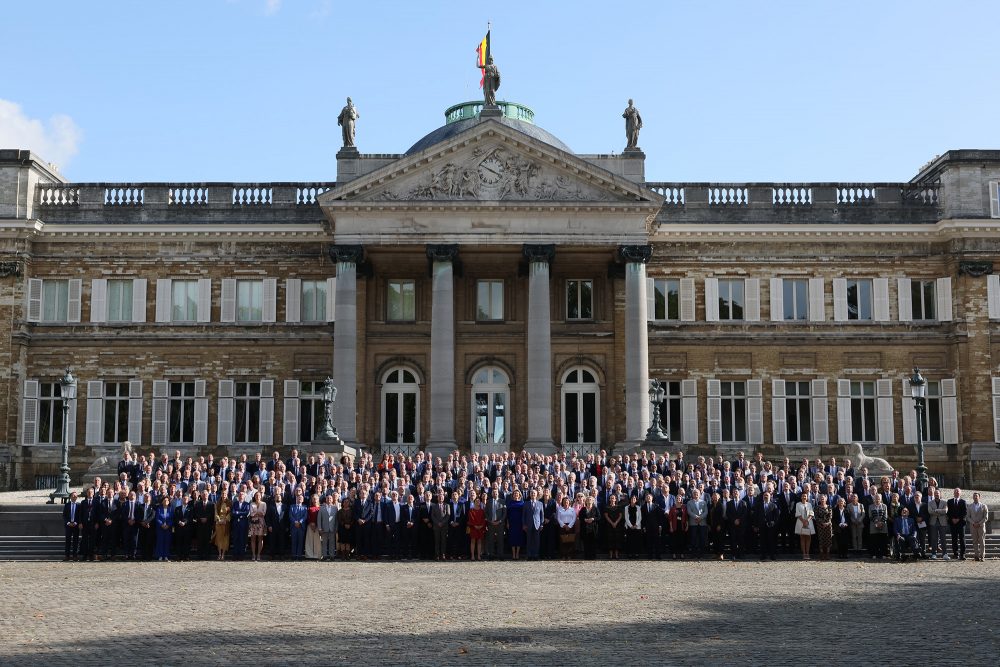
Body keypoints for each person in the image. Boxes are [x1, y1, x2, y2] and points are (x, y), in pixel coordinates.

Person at [756, 490, 780, 561]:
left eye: (767, 495)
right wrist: (756, 525)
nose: (766, 497)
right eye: (764, 496)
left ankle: (772, 555)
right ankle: (763, 555)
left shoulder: (774, 505)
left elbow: (776, 516)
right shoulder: (759, 505)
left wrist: (773, 523)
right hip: (762, 526)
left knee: (771, 541)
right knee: (762, 541)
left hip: (771, 527)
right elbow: (756, 516)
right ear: (763, 497)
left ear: (770, 497)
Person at [927, 488, 949, 559]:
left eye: (938, 493)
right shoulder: (930, 502)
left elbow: (945, 511)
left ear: (940, 494)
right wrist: (940, 511)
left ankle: (945, 554)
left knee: (943, 539)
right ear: (934, 494)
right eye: (935, 493)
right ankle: (934, 554)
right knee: (934, 539)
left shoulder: (944, 502)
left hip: (942, 523)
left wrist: (936, 510)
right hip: (933, 522)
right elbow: (930, 511)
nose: (936, 494)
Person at [484, 488, 506, 560]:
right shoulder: (488, 502)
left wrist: (499, 521)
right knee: (491, 540)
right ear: (491, 494)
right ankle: (491, 555)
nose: (495, 494)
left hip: (500, 524)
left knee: (500, 540)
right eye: (493, 493)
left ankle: (501, 555)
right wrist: (490, 521)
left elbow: (504, 513)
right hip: (491, 523)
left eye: (496, 493)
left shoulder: (502, 501)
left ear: (498, 494)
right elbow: (486, 513)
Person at [267, 490, 289, 560]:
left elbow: (287, 517)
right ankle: (271, 555)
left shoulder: (285, 506)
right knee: (272, 541)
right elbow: (268, 517)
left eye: (279, 497)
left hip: (282, 527)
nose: (278, 498)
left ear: (281, 498)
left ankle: (282, 555)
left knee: (282, 541)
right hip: (273, 526)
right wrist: (269, 525)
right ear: (274, 498)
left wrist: (287, 526)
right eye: (277, 497)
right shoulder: (270, 506)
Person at [967, 492, 990, 562]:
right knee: (974, 541)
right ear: (972, 497)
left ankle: (982, 556)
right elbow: (968, 517)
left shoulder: (984, 506)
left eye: (976, 496)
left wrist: (979, 523)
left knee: (982, 541)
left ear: (979, 497)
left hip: (981, 526)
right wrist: (973, 523)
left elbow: (986, 517)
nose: (975, 497)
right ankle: (976, 556)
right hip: (973, 526)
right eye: (974, 496)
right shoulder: (969, 506)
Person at [686, 489, 708, 559]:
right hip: (693, 523)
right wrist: (696, 517)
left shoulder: (704, 502)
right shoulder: (689, 502)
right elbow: (689, 512)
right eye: (694, 493)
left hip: (702, 523)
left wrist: (700, 518)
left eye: (697, 493)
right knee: (693, 539)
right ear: (692, 494)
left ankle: (702, 554)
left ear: (700, 494)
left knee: (702, 539)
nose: (696, 494)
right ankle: (693, 554)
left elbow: (706, 512)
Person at [947, 487, 967, 560]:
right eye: (955, 491)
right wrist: (952, 519)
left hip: (961, 523)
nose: (957, 493)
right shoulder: (949, 501)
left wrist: (958, 519)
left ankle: (963, 554)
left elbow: (965, 512)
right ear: (953, 493)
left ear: (960, 493)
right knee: (954, 539)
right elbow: (948, 512)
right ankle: (955, 554)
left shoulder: (963, 502)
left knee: (962, 539)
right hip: (952, 523)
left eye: (958, 492)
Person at [523, 488, 544, 560]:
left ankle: (535, 555)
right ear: (530, 495)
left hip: (537, 525)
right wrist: (524, 524)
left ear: (536, 494)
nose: (533, 494)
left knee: (536, 541)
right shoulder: (526, 504)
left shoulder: (540, 503)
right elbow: (524, 515)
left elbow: (542, 515)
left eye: (534, 493)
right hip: (528, 524)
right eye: (531, 493)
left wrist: (541, 524)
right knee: (529, 540)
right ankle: (529, 555)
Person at [794, 491, 815, 560]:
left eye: (805, 496)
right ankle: (804, 554)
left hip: (809, 523)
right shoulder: (798, 504)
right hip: (800, 522)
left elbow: (811, 513)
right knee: (802, 538)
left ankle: (808, 553)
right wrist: (803, 521)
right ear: (801, 497)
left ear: (807, 497)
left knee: (808, 538)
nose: (804, 497)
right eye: (803, 496)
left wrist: (807, 521)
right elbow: (797, 513)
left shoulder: (809, 504)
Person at [506, 489, 526, 560]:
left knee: (519, 538)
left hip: (520, 523)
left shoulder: (522, 503)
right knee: (512, 538)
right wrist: (507, 523)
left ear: (519, 495)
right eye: (515, 494)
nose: (516, 495)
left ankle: (517, 553)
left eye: (517, 494)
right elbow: (507, 514)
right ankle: (513, 554)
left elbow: (524, 514)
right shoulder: (510, 503)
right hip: (512, 523)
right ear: (513, 495)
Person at [318, 493, 339, 561]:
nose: (329, 499)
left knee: (332, 543)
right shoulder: (321, 508)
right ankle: (324, 556)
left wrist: (336, 528)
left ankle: (332, 555)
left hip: (332, 528)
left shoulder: (335, 508)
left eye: (330, 498)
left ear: (332, 500)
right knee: (324, 543)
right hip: (324, 528)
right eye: (328, 498)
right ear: (326, 500)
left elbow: (336, 519)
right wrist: (320, 528)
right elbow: (319, 519)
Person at [431, 491, 450, 561]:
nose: (440, 498)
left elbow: (448, 515)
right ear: (437, 498)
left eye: (442, 497)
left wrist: (442, 522)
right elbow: (432, 516)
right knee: (437, 541)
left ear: (444, 498)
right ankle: (437, 555)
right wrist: (437, 523)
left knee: (443, 541)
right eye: (439, 497)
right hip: (436, 526)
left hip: (444, 526)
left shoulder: (447, 505)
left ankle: (443, 555)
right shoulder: (434, 506)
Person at [248, 491, 268, 562]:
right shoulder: (251, 503)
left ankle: (259, 554)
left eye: (259, 495)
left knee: (260, 539)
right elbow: (251, 514)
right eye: (256, 495)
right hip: (253, 523)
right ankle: (253, 554)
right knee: (253, 539)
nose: (257, 497)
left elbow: (263, 513)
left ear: (261, 496)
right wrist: (258, 513)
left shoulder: (264, 503)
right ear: (254, 496)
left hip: (261, 523)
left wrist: (255, 513)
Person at [869, 493, 889, 560]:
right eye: (876, 498)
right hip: (873, 525)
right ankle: (874, 554)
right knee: (874, 541)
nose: (877, 500)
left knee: (883, 541)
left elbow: (885, 516)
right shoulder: (870, 506)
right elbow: (870, 516)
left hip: (883, 526)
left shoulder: (884, 506)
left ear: (881, 499)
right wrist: (876, 522)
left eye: (878, 498)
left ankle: (884, 554)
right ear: (874, 499)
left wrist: (881, 522)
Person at [603, 494, 624, 560]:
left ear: (615, 499)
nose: (612, 499)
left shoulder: (619, 507)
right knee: (610, 539)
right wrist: (612, 523)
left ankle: (617, 554)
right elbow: (606, 516)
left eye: (613, 498)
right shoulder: (607, 507)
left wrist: (616, 523)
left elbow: (620, 516)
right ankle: (611, 554)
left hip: (617, 525)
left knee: (617, 539)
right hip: (609, 525)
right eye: (611, 498)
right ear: (609, 499)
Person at [467, 496, 487, 561]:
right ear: (474, 502)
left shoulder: (482, 511)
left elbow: (484, 519)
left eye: (479, 501)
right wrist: (474, 525)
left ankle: (478, 556)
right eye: (476, 501)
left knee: (479, 541)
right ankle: (472, 556)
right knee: (473, 541)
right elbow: (470, 519)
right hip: (473, 528)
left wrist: (481, 525)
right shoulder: (471, 510)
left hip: (481, 528)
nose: (477, 502)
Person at [231, 493, 250, 560]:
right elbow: (233, 512)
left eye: (242, 496)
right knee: (236, 539)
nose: (241, 497)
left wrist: (238, 513)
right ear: (238, 497)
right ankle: (235, 555)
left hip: (243, 524)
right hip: (236, 524)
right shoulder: (235, 503)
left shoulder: (247, 504)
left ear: (244, 497)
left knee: (242, 539)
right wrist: (240, 514)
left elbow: (246, 512)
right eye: (240, 496)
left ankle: (242, 555)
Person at [556, 496, 577, 560]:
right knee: (562, 541)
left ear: (569, 502)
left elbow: (574, 518)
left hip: (571, 526)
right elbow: (558, 518)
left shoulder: (572, 509)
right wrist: (564, 525)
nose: (566, 502)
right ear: (562, 502)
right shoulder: (560, 509)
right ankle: (563, 555)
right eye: (564, 501)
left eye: (567, 501)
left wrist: (569, 526)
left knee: (570, 541)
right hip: (562, 527)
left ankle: (569, 555)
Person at [580, 496, 600, 560]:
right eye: (588, 499)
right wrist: (584, 520)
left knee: (593, 543)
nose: (589, 500)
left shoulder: (595, 508)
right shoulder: (583, 509)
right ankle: (587, 556)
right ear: (586, 501)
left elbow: (599, 517)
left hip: (593, 528)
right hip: (585, 528)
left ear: (593, 501)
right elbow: (580, 517)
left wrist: (593, 519)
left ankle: (593, 556)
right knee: (586, 543)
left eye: (590, 499)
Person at [289, 491, 308, 561]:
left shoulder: (305, 507)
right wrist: (295, 522)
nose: (299, 499)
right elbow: (290, 516)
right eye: (298, 498)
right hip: (294, 526)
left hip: (301, 526)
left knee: (300, 541)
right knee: (294, 541)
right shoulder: (292, 506)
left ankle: (299, 555)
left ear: (303, 500)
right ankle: (294, 555)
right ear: (296, 499)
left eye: (301, 498)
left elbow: (305, 516)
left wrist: (300, 522)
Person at [62, 491, 80, 561]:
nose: (75, 497)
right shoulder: (67, 505)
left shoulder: (79, 505)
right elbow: (64, 516)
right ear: (70, 497)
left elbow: (79, 516)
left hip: (76, 525)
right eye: (73, 496)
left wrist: (76, 523)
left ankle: (75, 556)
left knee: (76, 541)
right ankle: (67, 556)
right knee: (68, 541)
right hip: (68, 525)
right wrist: (68, 523)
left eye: (76, 496)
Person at [814, 495, 833, 561]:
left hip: (828, 525)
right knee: (821, 539)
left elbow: (830, 516)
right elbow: (816, 516)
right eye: (821, 498)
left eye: (823, 498)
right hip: (820, 525)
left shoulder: (829, 507)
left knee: (828, 539)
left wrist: (826, 523)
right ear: (819, 499)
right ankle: (821, 553)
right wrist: (822, 523)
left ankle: (827, 553)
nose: (822, 499)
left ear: (826, 499)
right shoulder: (817, 507)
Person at [214, 493, 232, 561]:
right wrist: (218, 520)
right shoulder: (218, 503)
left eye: (225, 494)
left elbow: (230, 513)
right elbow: (216, 512)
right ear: (221, 495)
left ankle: (223, 554)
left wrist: (225, 520)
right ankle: (219, 554)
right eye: (222, 494)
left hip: (226, 522)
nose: (224, 495)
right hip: (218, 522)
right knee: (219, 538)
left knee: (225, 539)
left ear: (227, 495)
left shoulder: (229, 503)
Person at [154, 496, 173, 561]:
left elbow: (172, 519)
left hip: (168, 528)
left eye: (167, 500)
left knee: (167, 542)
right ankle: (160, 555)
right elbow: (157, 518)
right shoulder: (159, 509)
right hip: (160, 528)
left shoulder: (171, 509)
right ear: (162, 502)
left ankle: (166, 556)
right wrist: (161, 525)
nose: (166, 501)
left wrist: (168, 525)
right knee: (160, 541)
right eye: (164, 500)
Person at [305, 494, 322, 560]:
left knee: (317, 541)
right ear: (311, 500)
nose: (315, 500)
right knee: (309, 541)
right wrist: (311, 523)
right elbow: (307, 516)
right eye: (313, 499)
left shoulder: (321, 508)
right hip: (310, 526)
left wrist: (317, 525)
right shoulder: (309, 508)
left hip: (318, 527)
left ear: (318, 499)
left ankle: (317, 555)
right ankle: (309, 555)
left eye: (316, 498)